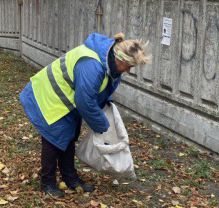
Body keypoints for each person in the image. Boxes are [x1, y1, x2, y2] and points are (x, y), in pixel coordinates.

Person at [20, 32, 150, 197]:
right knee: (53, 140)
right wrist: (102, 125)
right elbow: (85, 102)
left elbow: (99, 90)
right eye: (129, 66)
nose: (129, 70)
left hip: (65, 100)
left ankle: (70, 178)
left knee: (69, 137)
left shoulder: (109, 63)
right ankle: (47, 183)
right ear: (120, 60)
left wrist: (105, 105)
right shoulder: (93, 66)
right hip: (47, 96)